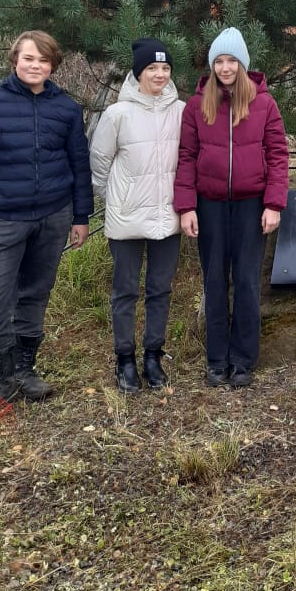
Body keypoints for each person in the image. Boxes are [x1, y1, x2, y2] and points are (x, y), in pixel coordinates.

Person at [0, 31, 93, 405]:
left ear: (53, 65)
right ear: (14, 60)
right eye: (29, 59)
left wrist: (80, 216)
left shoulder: (65, 108)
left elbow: (78, 166)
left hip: (52, 216)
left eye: (44, 60)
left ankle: (24, 370)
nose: (36, 66)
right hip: (2, 218)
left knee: (34, 294)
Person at [174, 28, 288, 388]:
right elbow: (187, 156)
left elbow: (278, 155)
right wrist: (186, 207)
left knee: (246, 281)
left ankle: (242, 359)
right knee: (214, 281)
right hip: (209, 206)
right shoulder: (196, 106)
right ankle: (216, 359)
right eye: (219, 61)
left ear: (242, 64)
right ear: (212, 66)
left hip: (251, 205)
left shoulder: (264, 103)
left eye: (231, 61)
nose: (225, 68)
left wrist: (273, 203)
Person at [90, 39, 184, 393]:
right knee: (125, 291)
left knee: (160, 289)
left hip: (168, 217)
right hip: (126, 217)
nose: (159, 75)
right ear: (138, 72)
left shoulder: (181, 110)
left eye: (165, 69)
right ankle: (125, 359)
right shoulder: (118, 114)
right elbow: (99, 164)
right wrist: (116, 197)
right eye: (151, 69)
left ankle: (153, 356)